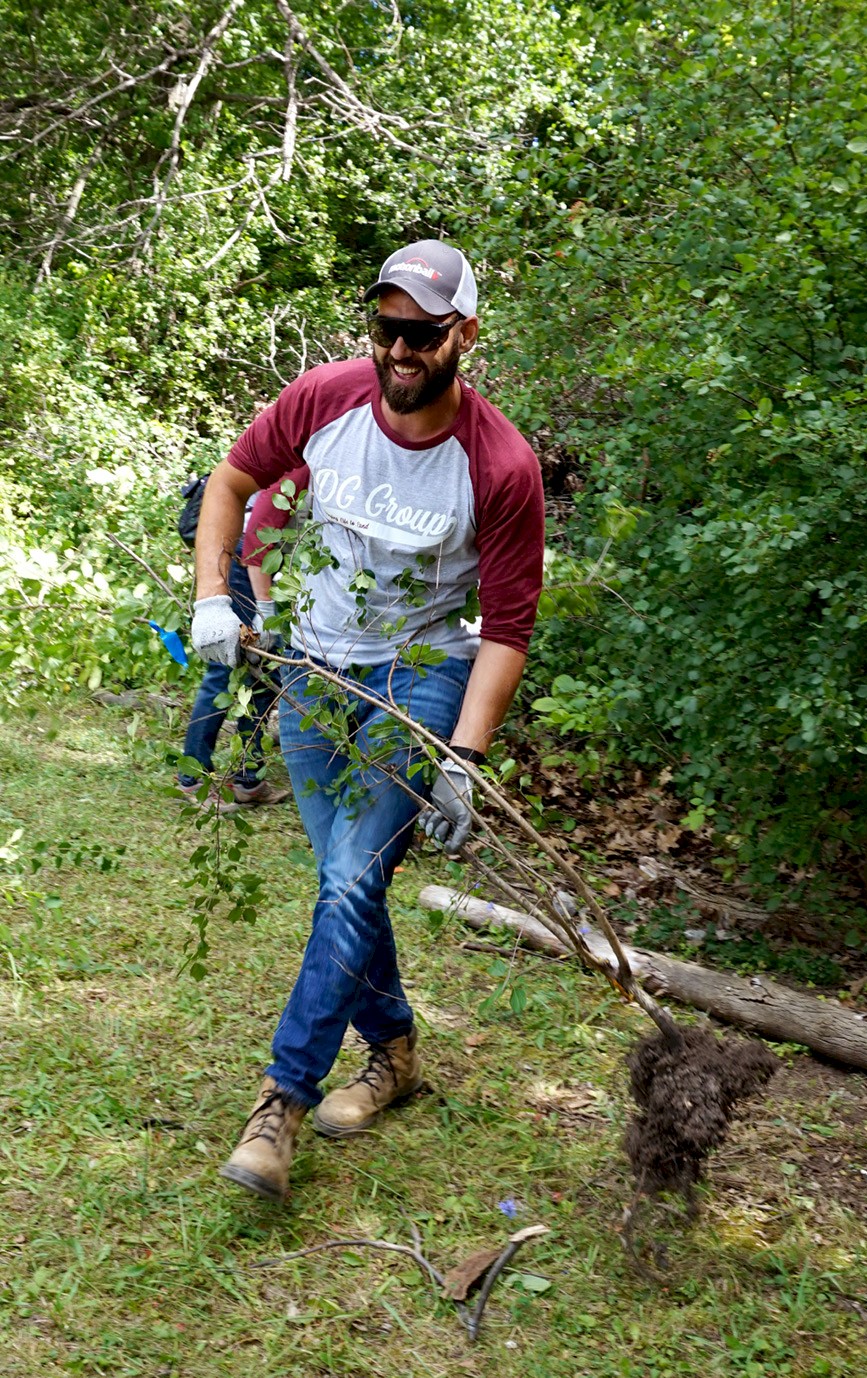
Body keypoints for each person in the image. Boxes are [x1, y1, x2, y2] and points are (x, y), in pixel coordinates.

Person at [190, 239, 545, 1201]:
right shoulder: (325, 397)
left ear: (462, 334)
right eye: (386, 327)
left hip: (419, 675)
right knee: (346, 881)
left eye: (422, 333)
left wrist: (463, 758)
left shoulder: (500, 464)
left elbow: (507, 628)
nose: (399, 349)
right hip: (310, 669)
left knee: (351, 874)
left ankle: (280, 1105)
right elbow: (231, 482)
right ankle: (392, 1051)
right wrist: (217, 598)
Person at [176, 493, 290, 813]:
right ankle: (192, 777)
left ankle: (248, 781)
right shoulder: (303, 454)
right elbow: (258, 531)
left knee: (267, 672)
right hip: (250, 557)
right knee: (226, 666)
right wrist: (265, 607)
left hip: (273, 563)